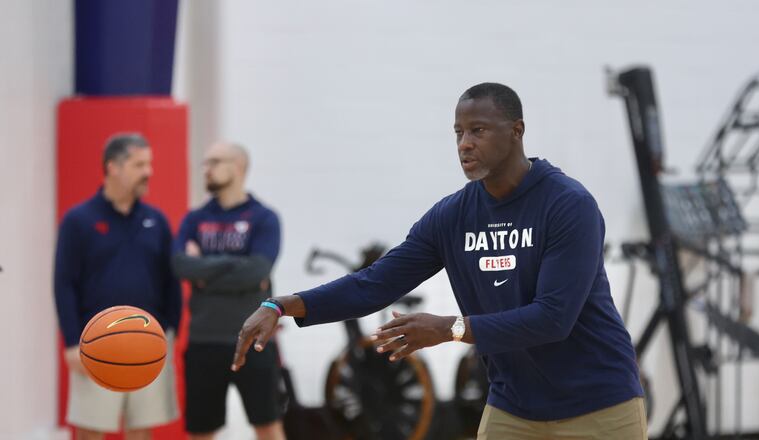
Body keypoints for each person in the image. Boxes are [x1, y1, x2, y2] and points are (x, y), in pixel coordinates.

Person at [233, 83, 647, 439]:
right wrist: (282, 305)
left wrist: (451, 328)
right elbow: (376, 283)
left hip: (597, 404)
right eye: (458, 132)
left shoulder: (567, 205)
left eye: (478, 130)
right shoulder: (453, 216)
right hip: (514, 409)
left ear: (517, 132)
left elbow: (553, 318)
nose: (464, 143)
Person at [54, 133, 182, 440]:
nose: (148, 172)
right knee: (90, 431)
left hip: (149, 340)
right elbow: (63, 283)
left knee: (141, 430)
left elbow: (171, 281)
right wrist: (72, 342)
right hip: (95, 342)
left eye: (149, 164)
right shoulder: (78, 220)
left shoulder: (157, 220)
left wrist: (170, 331)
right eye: (139, 164)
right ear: (113, 167)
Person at [172, 142, 285, 440]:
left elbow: (258, 271)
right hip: (203, 342)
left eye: (214, 162)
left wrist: (204, 270)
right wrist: (237, 270)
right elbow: (181, 265)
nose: (205, 169)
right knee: (201, 431)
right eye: (204, 163)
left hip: (255, 340)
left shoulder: (264, 218)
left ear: (237, 167)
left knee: (268, 426)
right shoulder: (194, 219)